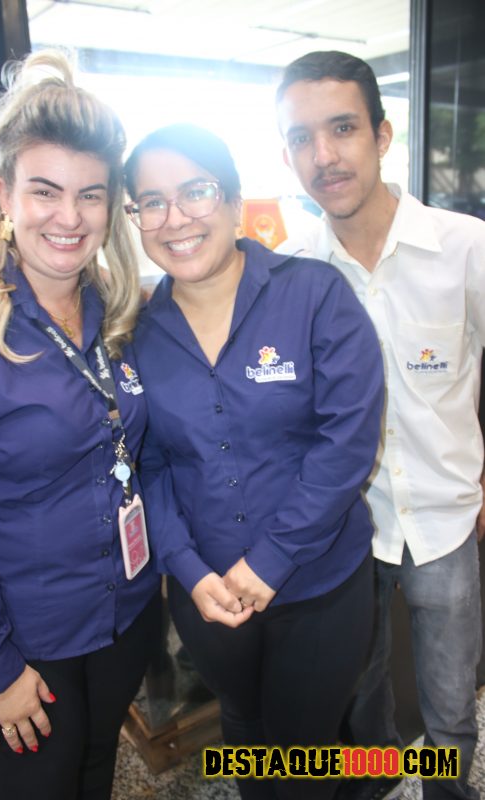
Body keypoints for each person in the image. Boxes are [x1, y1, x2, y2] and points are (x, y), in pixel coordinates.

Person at [124, 123, 385, 800]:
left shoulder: (313, 294)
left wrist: (270, 560)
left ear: (235, 202)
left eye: (196, 191)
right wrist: (187, 569)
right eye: (151, 202)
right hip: (207, 595)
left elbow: (347, 442)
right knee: (242, 726)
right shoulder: (139, 333)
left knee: (302, 751)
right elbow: (150, 466)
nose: (175, 217)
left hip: (317, 585)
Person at [275, 50, 485, 800]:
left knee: (450, 705)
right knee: (359, 707)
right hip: (343, 530)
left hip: (443, 518)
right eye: (301, 138)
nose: (323, 156)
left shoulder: (465, 247)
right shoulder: (291, 271)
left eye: (342, 129)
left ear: (382, 135)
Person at [0, 49, 161, 800]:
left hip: (124, 617)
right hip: (22, 643)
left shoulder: (120, 308)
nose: (69, 218)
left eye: (89, 195)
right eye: (45, 191)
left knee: (96, 773)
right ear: (5, 193)